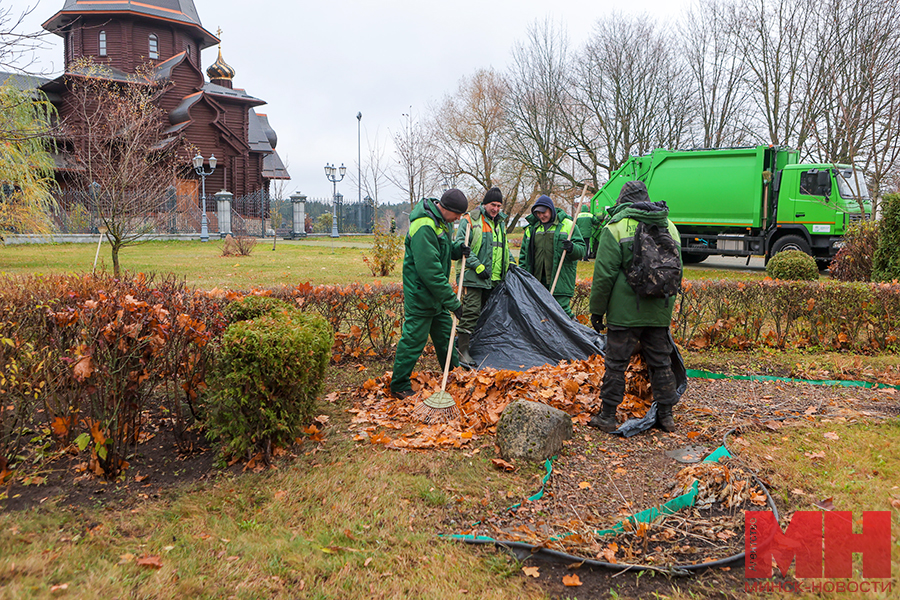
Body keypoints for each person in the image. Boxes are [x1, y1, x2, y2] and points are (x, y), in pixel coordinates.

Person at [587, 181, 682, 432]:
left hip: (625, 311)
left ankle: (607, 416)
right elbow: (676, 271)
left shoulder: (616, 226)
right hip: (659, 309)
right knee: (661, 363)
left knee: (616, 363)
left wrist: (597, 310)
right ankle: (666, 416)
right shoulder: (668, 225)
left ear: (622, 201)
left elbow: (604, 275)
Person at [390, 189, 470, 399]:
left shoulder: (440, 221)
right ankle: (398, 384)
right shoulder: (425, 225)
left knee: (446, 336)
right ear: (448, 209)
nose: (459, 219)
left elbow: (440, 250)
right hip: (422, 295)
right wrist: (453, 302)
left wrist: (456, 250)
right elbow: (430, 271)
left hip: (436, 297)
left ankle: (454, 376)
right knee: (414, 340)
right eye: (458, 214)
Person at [454, 187, 516, 367]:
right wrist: (479, 267)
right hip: (474, 277)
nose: (495, 209)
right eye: (492, 205)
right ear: (484, 204)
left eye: (498, 206)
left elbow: (503, 248)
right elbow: (460, 246)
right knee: (471, 312)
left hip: (495, 279)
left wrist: (511, 265)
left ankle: (480, 348)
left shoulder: (501, 223)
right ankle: (462, 350)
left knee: (489, 315)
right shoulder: (471, 220)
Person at [519, 194, 586, 317]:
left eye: (544, 212)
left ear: (551, 209)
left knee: (562, 314)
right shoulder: (531, 229)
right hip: (537, 282)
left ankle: (573, 335)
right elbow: (524, 256)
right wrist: (524, 278)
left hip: (560, 280)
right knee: (539, 315)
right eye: (538, 213)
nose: (541, 216)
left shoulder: (568, 225)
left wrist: (572, 248)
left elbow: (581, 250)